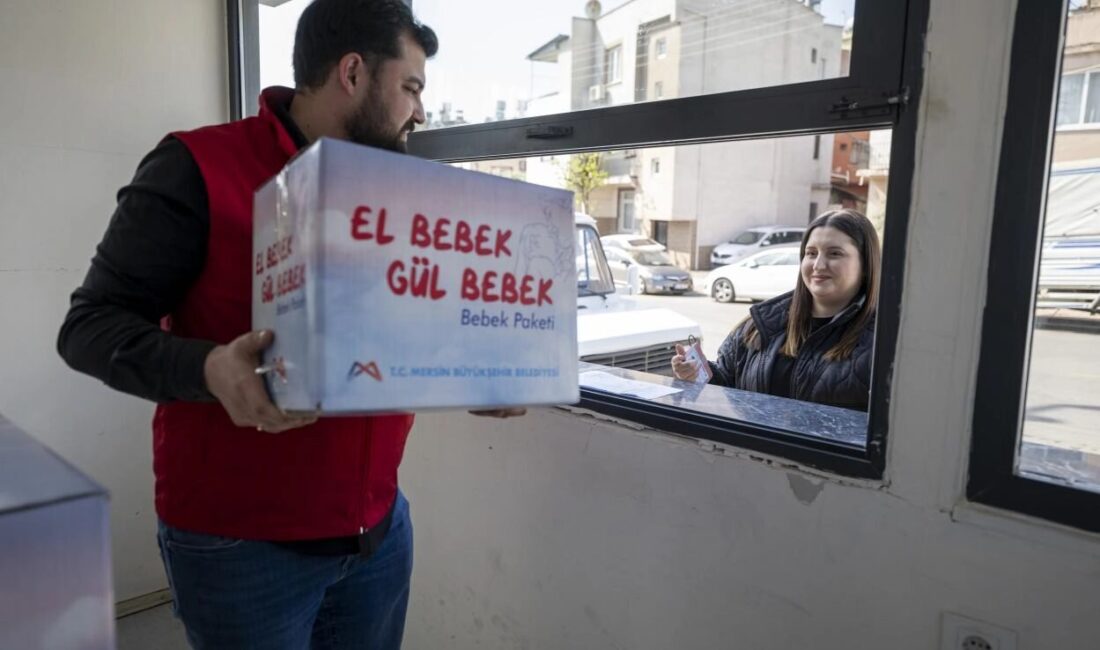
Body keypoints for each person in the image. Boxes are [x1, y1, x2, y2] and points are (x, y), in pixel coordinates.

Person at [57, 1, 519, 647]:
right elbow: (87, 327)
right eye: (411, 87)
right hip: (241, 549)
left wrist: (481, 370)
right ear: (352, 73)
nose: (421, 111)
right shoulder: (195, 167)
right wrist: (208, 368)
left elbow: (409, 330)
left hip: (379, 533)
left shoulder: (398, 192)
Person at [671, 209, 880, 411]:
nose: (818, 264)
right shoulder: (761, 323)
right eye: (811, 253)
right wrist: (695, 374)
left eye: (835, 253)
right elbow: (726, 382)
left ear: (865, 265)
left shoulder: (884, 342)